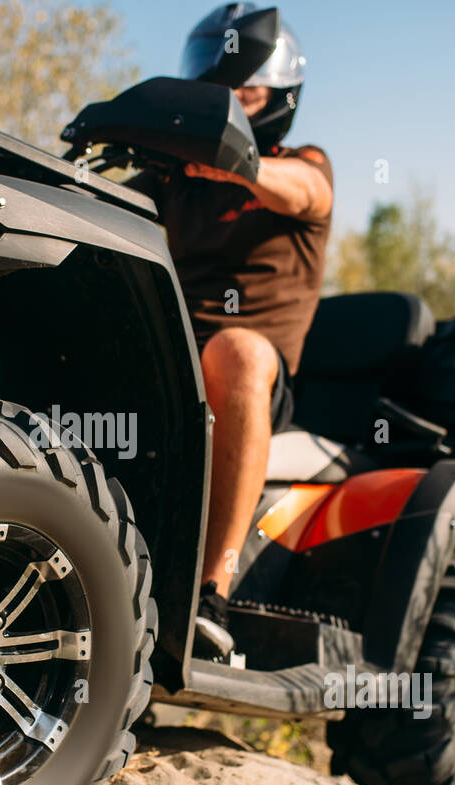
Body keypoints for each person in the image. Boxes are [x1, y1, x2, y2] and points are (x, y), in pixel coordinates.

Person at [132, 3, 334, 660]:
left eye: (246, 91)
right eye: (219, 92)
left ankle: (210, 592)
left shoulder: (303, 167)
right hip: (171, 362)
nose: (232, 103)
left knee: (236, 350)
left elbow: (301, 191)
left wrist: (235, 163)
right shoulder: (172, 185)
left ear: (280, 95)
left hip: (254, 379)